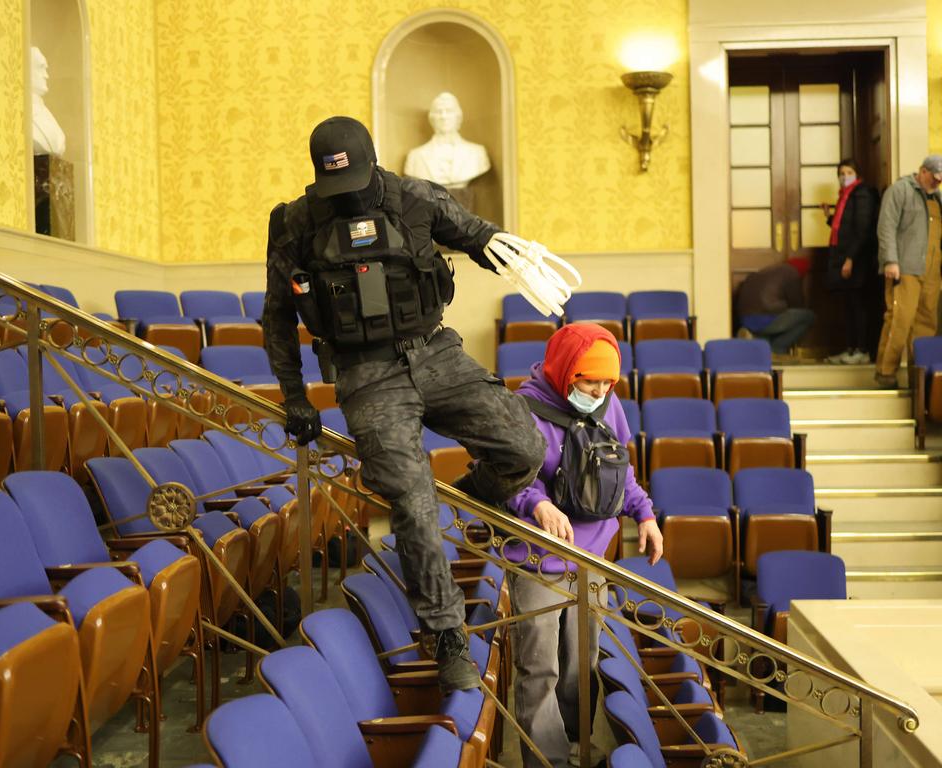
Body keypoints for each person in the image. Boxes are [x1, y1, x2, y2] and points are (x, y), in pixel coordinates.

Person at [263, 116, 546, 694]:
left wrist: (499, 248)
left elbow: (474, 232)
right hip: (367, 376)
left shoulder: (417, 197)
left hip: (435, 352)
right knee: (414, 506)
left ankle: (472, 498)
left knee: (526, 447)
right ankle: (446, 637)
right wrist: (294, 397)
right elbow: (277, 316)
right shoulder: (293, 222)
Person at [506, 323, 663, 768]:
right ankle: (547, 760)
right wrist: (536, 504)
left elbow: (621, 471)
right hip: (538, 557)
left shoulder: (608, 406)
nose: (595, 391)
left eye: (605, 383)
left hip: (589, 557)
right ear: (563, 370)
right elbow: (501, 474)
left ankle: (578, 750)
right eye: (586, 380)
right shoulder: (524, 409)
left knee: (580, 667)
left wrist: (645, 514)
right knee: (540, 669)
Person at [873, 156, 942, 388]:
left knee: (927, 324)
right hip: (905, 268)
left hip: (932, 271)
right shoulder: (899, 191)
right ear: (922, 171)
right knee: (899, 321)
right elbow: (886, 227)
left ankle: (919, 379)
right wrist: (891, 260)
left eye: (940, 181)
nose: (936, 184)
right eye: (933, 178)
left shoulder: (939, 198)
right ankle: (886, 372)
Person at [820, 158, 879, 364]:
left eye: (849, 172)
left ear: (857, 174)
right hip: (844, 257)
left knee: (857, 304)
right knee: (848, 305)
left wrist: (850, 259)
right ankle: (851, 348)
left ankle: (861, 349)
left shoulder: (861, 194)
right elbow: (844, 227)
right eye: (841, 173)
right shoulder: (846, 196)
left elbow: (861, 230)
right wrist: (829, 217)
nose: (845, 177)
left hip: (857, 259)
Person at [403, 92, 491, 189]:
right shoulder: (415, 156)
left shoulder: (477, 153)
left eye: (449, 111)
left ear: (458, 116)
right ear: (432, 118)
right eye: (438, 111)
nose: (443, 116)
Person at [735, 258, 816, 360]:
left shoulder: (766, 271)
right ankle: (777, 349)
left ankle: (754, 338)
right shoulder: (792, 272)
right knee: (808, 316)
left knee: (770, 331)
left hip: (744, 319)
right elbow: (797, 304)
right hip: (766, 318)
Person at [30, 46, 66, 157]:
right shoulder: (22, 112)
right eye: (41, 68)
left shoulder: (45, 111)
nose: (46, 75)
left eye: (46, 69)